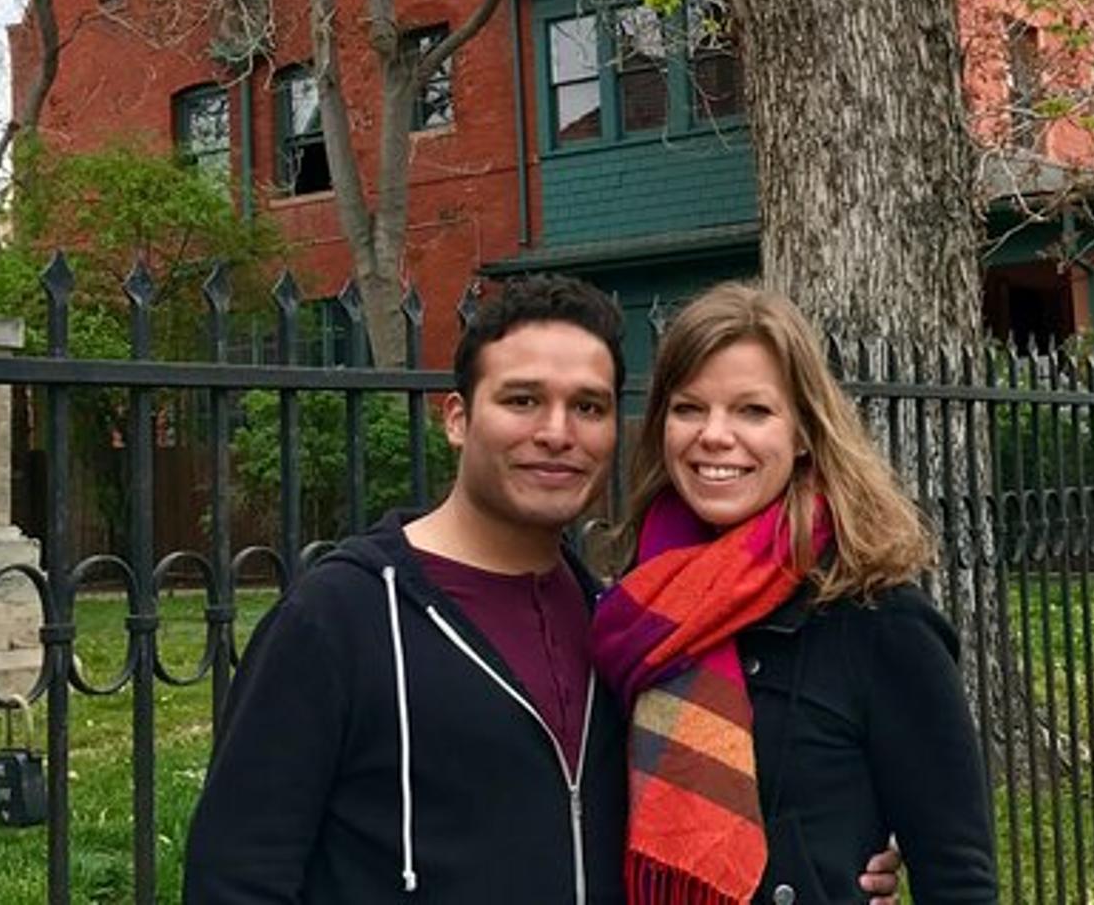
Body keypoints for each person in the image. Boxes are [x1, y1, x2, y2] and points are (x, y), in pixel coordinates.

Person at [183, 275, 902, 904]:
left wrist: (837, 859)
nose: (557, 431)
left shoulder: (623, 627)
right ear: (458, 419)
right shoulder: (342, 617)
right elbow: (236, 876)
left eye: (588, 407)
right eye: (523, 399)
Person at [592, 283, 998, 905]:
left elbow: (959, 876)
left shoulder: (880, 619)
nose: (715, 436)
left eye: (753, 411)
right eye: (689, 408)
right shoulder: (630, 611)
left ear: (805, 431)